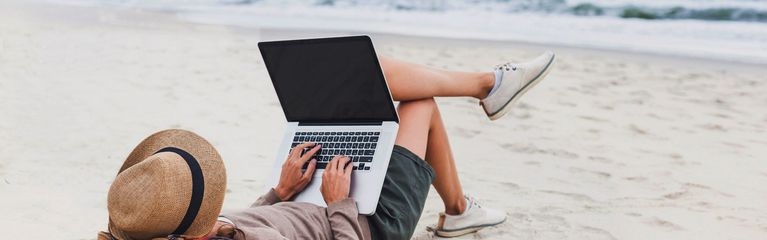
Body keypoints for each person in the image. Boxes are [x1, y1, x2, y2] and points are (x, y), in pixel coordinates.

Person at [99, 51, 555, 240]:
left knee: (362, 72)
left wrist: (279, 191)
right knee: (418, 103)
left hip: (308, 196)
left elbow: (253, 220)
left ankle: (458, 209)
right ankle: (486, 87)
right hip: (367, 222)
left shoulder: (172, 228)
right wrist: (340, 204)